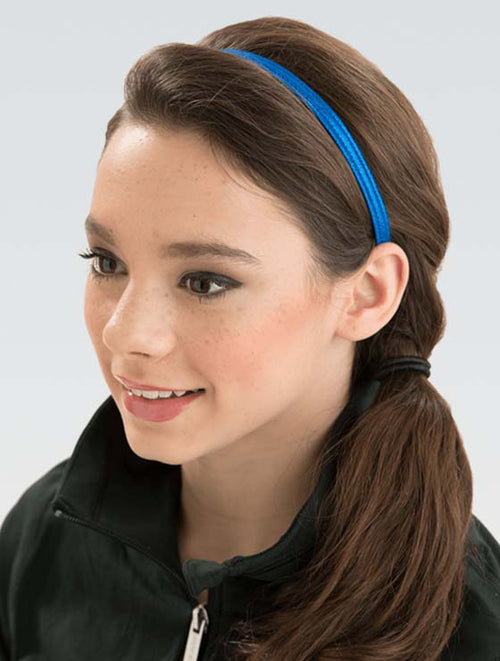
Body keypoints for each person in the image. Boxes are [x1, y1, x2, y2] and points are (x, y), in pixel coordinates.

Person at [1, 14, 499, 661]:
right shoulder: (42, 541)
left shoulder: (471, 626)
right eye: (107, 262)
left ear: (368, 293)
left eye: (204, 281)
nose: (126, 332)